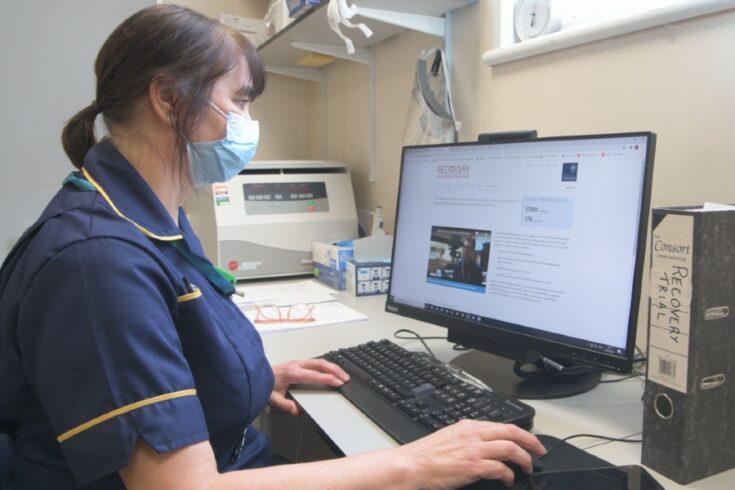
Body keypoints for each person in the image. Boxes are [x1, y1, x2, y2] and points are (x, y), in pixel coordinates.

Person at [0, 5, 544, 489]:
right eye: (238, 100)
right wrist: (412, 466)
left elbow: (168, 350)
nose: (247, 122)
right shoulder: (97, 261)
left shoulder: (149, 215)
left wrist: (248, 380)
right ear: (168, 98)